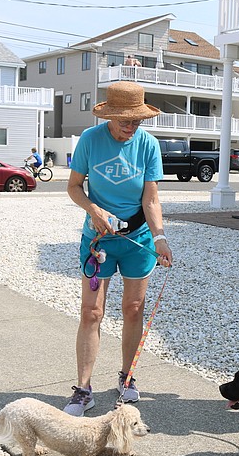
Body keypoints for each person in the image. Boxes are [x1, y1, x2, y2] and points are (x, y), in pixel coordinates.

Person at [63, 81, 172, 416]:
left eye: (136, 121)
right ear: (109, 115)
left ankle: (127, 378)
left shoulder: (148, 145)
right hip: (97, 240)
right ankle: (83, 390)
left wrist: (160, 237)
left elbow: (150, 198)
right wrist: (94, 211)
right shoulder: (90, 140)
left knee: (133, 309)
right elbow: (74, 187)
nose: (130, 126)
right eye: (124, 120)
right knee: (91, 312)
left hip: (136, 239)